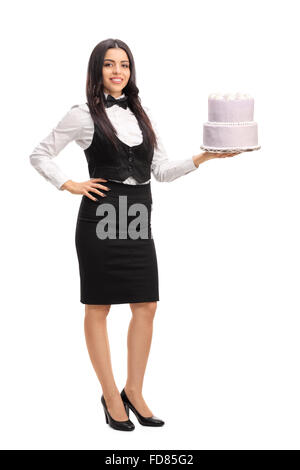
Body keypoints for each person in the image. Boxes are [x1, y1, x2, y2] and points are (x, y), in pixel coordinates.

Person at [29, 38, 242, 431]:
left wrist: (204, 157)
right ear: (97, 71)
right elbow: (40, 153)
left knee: (146, 305)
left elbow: (160, 171)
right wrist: (70, 184)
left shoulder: (143, 114)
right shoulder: (82, 114)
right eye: (109, 65)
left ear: (131, 71)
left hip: (138, 220)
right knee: (99, 306)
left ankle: (135, 391)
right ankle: (111, 396)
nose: (117, 71)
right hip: (100, 218)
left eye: (124, 65)